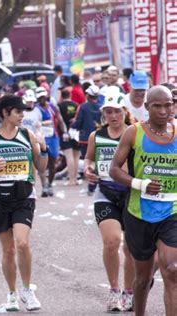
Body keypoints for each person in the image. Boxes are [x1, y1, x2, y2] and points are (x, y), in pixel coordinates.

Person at [0, 95, 47, 311]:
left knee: (22, 243)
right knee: (8, 250)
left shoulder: (27, 134)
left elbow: (41, 167)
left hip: (23, 196)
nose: (23, 116)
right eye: (18, 112)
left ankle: (27, 290)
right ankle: (12, 294)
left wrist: (43, 149)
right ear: (5, 113)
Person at [109, 86, 177, 316]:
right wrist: (141, 184)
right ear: (146, 107)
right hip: (139, 212)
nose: (163, 110)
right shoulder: (133, 132)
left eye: (168, 104)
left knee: (172, 270)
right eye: (157, 105)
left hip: (172, 210)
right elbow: (114, 170)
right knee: (142, 279)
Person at [84, 92, 135, 312]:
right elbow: (89, 157)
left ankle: (130, 292)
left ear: (125, 111)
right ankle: (114, 290)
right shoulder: (97, 135)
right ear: (104, 113)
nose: (113, 116)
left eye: (116, 111)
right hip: (105, 193)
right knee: (112, 241)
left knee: (131, 249)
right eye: (108, 112)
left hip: (131, 194)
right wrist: (88, 168)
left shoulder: (135, 133)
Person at [35, 87, 68, 197]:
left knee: (52, 164)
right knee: (41, 164)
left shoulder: (53, 107)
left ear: (46, 96)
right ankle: (44, 186)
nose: (42, 99)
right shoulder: (35, 109)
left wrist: (65, 132)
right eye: (39, 98)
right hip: (40, 138)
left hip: (53, 137)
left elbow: (60, 120)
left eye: (43, 97)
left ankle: (49, 184)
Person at [72, 85, 102, 195]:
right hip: (99, 139)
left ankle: (91, 187)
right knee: (97, 161)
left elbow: (78, 122)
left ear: (88, 95)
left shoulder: (83, 107)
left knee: (89, 161)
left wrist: (73, 125)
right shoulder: (101, 107)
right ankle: (94, 185)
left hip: (85, 139)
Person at [58, 89, 80, 185]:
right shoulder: (76, 105)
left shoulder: (59, 106)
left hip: (65, 133)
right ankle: (75, 179)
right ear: (70, 95)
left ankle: (71, 180)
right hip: (76, 132)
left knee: (69, 157)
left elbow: (58, 120)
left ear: (62, 96)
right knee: (76, 157)